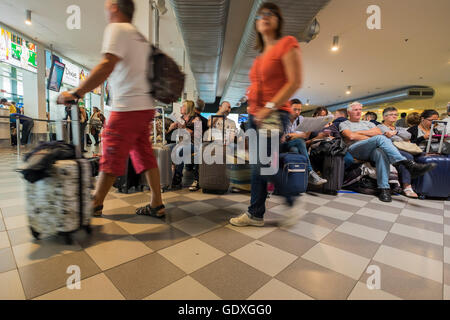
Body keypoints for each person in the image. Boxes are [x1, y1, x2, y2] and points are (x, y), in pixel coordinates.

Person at [57, 0, 165, 218]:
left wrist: (76, 93)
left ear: (115, 7)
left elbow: (106, 64)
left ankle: (95, 202)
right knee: (144, 154)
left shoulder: (117, 28)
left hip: (127, 107)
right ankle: (157, 203)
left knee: (111, 150)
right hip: (144, 107)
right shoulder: (140, 39)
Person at [229, 2, 303, 227]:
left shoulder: (286, 44)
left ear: (278, 20)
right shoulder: (261, 56)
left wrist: (268, 106)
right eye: (261, 15)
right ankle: (255, 214)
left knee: (262, 164)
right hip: (255, 116)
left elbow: (294, 81)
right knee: (257, 166)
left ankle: (292, 197)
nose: (265, 17)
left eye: (271, 13)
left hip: (273, 114)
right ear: (257, 23)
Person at [340, 102, 436, 202]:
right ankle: (406, 163)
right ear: (349, 112)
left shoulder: (369, 123)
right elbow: (351, 136)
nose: (359, 112)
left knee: (380, 153)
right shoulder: (344, 123)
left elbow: (377, 132)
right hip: (355, 149)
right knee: (380, 139)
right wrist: (370, 136)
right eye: (356, 110)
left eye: (360, 110)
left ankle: (384, 189)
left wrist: (359, 134)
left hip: (372, 149)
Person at [282, 99, 327, 185]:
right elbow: (283, 138)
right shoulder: (283, 119)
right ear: (289, 109)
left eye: (299, 110)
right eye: (295, 109)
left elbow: (305, 135)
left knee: (295, 150)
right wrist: (295, 135)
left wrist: (293, 135)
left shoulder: (301, 119)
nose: (297, 112)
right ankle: (310, 172)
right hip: (282, 145)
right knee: (299, 141)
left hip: (294, 145)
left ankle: (296, 182)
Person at [378, 107, 418, 198]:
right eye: (391, 115)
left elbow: (408, 135)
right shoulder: (379, 127)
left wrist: (395, 132)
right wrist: (400, 136)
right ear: (384, 117)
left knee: (421, 156)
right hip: (390, 149)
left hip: (403, 148)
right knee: (408, 157)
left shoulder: (399, 128)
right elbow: (392, 138)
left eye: (396, 115)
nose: (394, 117)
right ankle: (407, 186)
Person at [167, 100, 201, 191]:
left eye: (183, 106)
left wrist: (184, 128)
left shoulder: (196, 119)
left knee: (179, 150)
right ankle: (166, 176)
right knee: (166, 148)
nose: (181, 107)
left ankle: (177, 177)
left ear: (189, 108)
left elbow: (197, 135)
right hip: (180, 143)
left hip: (194, 144)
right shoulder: (180, 118)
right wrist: (172, 127)